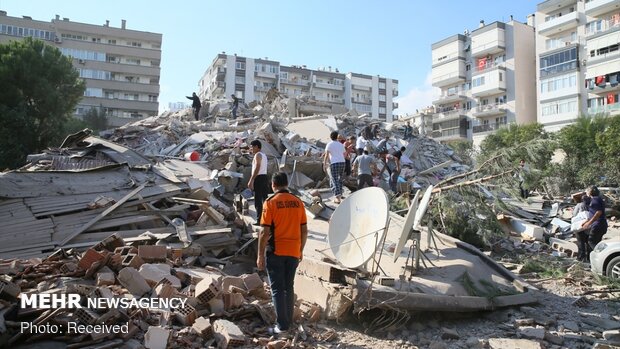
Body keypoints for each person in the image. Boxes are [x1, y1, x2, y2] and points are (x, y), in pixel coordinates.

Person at [256, 172, 308, 335]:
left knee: (277, 289)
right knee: (289, 286)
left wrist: (259, 254)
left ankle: (282, 327)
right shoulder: (298, 202)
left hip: (276, 252)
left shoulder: (270, 203)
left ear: (273, 185)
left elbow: (264, 232)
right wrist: (300, 250)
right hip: (293, 252)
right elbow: (304, 230)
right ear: (286, 184)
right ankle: (288, 323)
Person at [581, 185, 608, 261]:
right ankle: (594, 262)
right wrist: (586, 221)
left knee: (591, 242)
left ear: (590, 192)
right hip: (601, 224)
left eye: (587, 191)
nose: (586, 192)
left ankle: (603, 257)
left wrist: (589, 223)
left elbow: (598, 212)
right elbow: (593, 213)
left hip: (598, 225)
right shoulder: (597, 199)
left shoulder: (595, 200)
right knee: (596, 243)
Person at [248, 140, 269, 226]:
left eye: (252, 147)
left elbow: (257, 167)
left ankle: (259, 219)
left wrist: (251, 179)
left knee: (258, 200)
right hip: (264, 177)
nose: (251, 149)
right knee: (265, 199)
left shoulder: (258, 155)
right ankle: (267, 219)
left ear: (256, 146)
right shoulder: (264, 155)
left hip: (259, 178)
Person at [323, 131, 346, 204]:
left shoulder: (329, 144)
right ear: (337, 137)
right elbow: (344, 153)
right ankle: (340, 194)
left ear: (330, 137)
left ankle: (337, 198)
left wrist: (324, 164)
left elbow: (326, 155)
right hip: (342, 162)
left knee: (334, 179)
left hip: (334, 163)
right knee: (340, 179)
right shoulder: (340, 144)